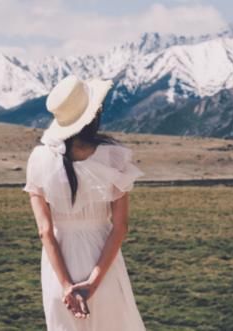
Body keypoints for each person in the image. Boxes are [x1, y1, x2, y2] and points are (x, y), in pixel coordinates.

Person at [23, 75, 146, 330]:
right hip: (103, 260)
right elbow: (120, 227)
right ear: (93, 114)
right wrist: (92, 283)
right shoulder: (113, 156)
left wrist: (66, 285)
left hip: (58, 266)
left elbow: (45, 232)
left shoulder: (39, 159)